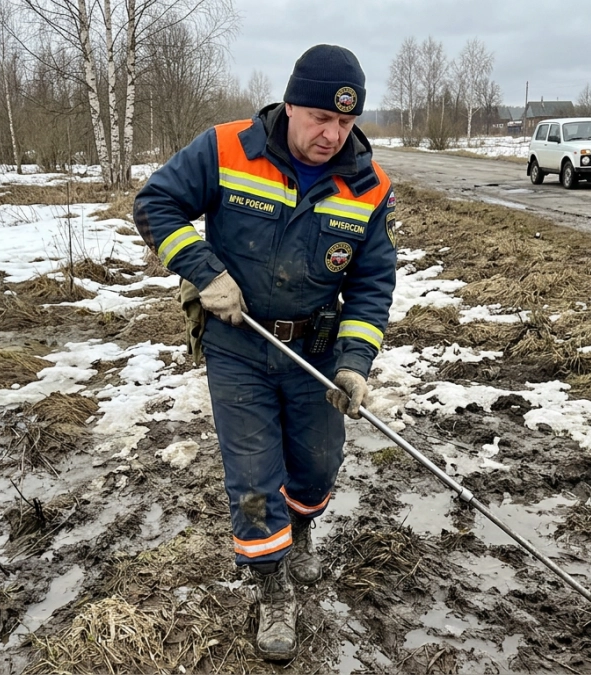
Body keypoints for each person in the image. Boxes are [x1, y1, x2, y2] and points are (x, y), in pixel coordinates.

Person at [133, 44, 397, 660]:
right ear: (290, 105)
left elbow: (371, 282)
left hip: (318, 352)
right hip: (239, 345)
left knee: (316, 467)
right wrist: (202, 270)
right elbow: (155, 203)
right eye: (320, 120)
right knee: (252, 475)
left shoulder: (368, 185)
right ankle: (271, 583)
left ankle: (300, 528)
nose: (332, 135)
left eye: (346, 124)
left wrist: (355, 366)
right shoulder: (227, 148)